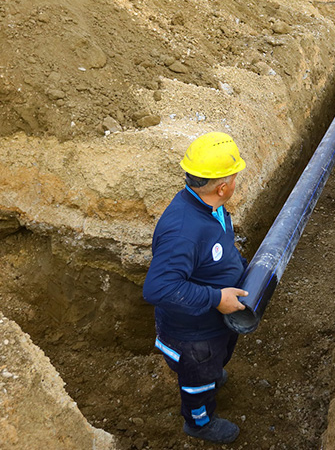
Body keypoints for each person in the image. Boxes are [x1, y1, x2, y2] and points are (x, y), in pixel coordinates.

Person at [142, 131, 249, 444]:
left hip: (213, 324)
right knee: (197, 381)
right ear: (222, 186)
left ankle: (212, 373)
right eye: (234, 177)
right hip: (193, 336)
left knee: (214, 362)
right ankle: (199, 422)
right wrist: (216, 298)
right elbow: (158, 288)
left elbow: (220, 246)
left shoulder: (210, 207)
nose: (236, 182)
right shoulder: (183, 230)